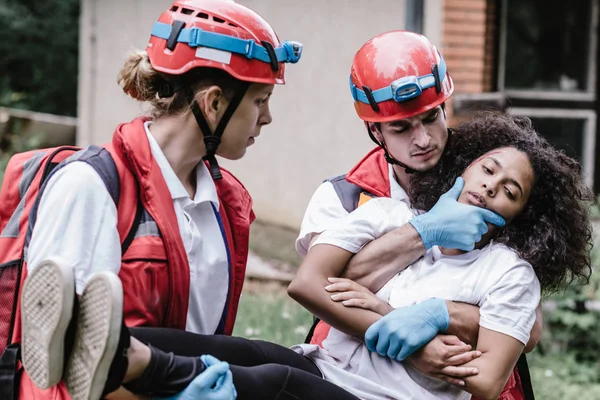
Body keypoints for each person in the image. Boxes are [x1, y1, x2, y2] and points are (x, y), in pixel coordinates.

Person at [20, 113, 592, 400]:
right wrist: (397, 319)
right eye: (489, 169)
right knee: (230, 348)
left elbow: (490, 379)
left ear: (525, 217)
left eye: (510, 192)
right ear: (467, 162)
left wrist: (432, 312)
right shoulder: (386, 215)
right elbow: (310, 285)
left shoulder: (508, 272)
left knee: (271, 381)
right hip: (326, 365)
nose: (492, 188)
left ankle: (122, 362)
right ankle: (79, 339)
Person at [16, 0, 301, 399]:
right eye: (260, 100)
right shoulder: (90, 185)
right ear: (214, 102)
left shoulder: (227, 202)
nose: (267, 117)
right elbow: (67, 358)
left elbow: (207, 342)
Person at [292, 30, 542, 397]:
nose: (423, 139)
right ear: (375, 130)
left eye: (430, 117)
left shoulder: (488, 182)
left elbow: (530, 328)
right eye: (401, 127)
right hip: (353, 378)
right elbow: (327, 287)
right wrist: (424, 231)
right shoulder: (342, 197)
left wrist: (439, 313)